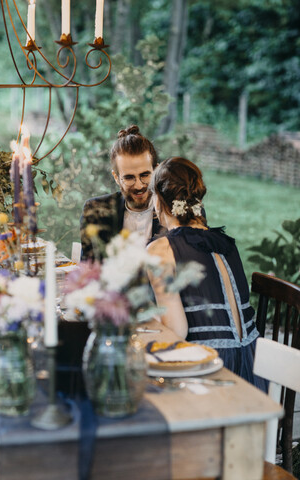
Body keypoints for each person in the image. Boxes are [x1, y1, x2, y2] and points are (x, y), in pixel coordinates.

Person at [147, 156, 266, 389]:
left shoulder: (160, 250)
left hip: (208, 367)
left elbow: (176, 332)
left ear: (159, 200)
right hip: (253, 368)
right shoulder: (226, 243)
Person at [80, 125, 163, 260]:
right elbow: (89, 270)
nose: (139, 185)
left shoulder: (178, 211)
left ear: (157, 171)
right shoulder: (95, 210)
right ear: (116, 178)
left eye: (145, 175)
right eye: (129, 177)